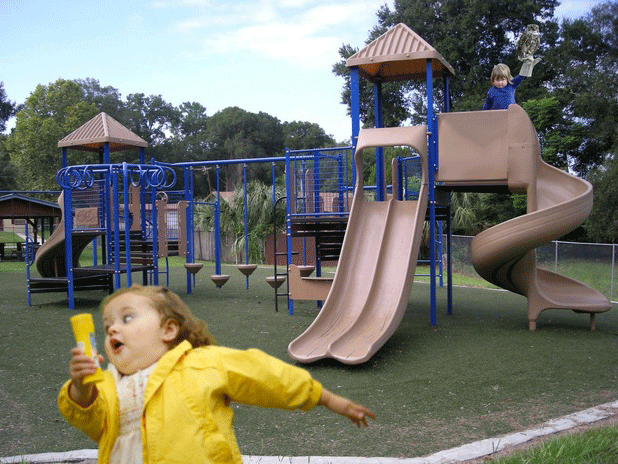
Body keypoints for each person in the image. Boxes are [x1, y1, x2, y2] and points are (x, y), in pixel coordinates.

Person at [58, 285, 375, 464]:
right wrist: (81, 390)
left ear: (168, 329)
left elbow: (264, 376)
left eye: (127, 318)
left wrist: (326, 398)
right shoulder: (109, 383)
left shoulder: (201, 363)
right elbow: (96, 423)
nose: (113, 327)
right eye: (108, 325)